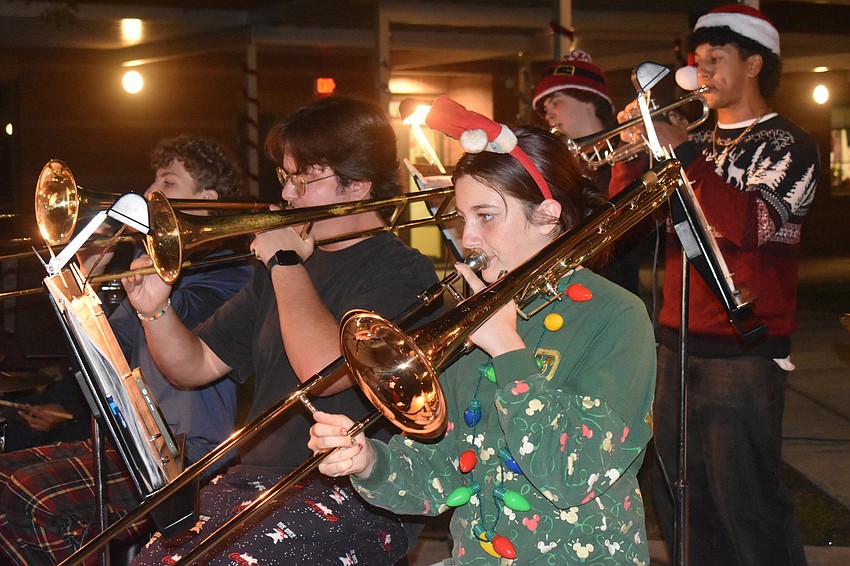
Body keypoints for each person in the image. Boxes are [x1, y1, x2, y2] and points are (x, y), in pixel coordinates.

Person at [309, 95, 657, 565]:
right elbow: (442, 476)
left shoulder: (615, 316)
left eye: (486, 216)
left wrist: (508, 349)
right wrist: (369, 461)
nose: (467, 237)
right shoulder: (476, 318)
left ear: (548, 216)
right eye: (462, 218)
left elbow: (571, 476)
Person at [127, 96, 440, 566]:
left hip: (356, 492)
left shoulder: (402, 273)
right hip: (255, 480)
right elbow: (192, 367)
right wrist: (155, 311)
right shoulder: (281, 268)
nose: (288, 195)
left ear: (357, 185)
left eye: (303, 179)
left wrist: (285, 261)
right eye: (285, 177)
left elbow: (328, 371)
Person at [611, 5, 819, 565]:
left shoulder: (788, 143)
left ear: (754, 64)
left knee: (743, 499)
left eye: (715, 60)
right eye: (697, 62)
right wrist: (636, 151)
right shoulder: (695, 142)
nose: (701, 73)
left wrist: (684, 152)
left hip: (743, 347)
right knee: (681, 494)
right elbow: (627, 219)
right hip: (676, 338)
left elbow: (755, 225)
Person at [0, 134, 254, 565]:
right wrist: (83, 285)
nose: (151, 192)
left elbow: (188, 315)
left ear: (207, 200)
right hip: (139, 442)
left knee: (34, 497)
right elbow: (102, 349)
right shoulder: (151, 265)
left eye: (168, 182)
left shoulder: (232, 270)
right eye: (154, 179)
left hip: (193, 454)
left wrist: (152, 287)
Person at [532, 50, 643, 296]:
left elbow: (621, 224)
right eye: (545, 108)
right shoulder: (563, 166)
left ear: (588, 99)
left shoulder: (629, 153)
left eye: (556, 101)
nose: (548, 113)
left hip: (612, 294)